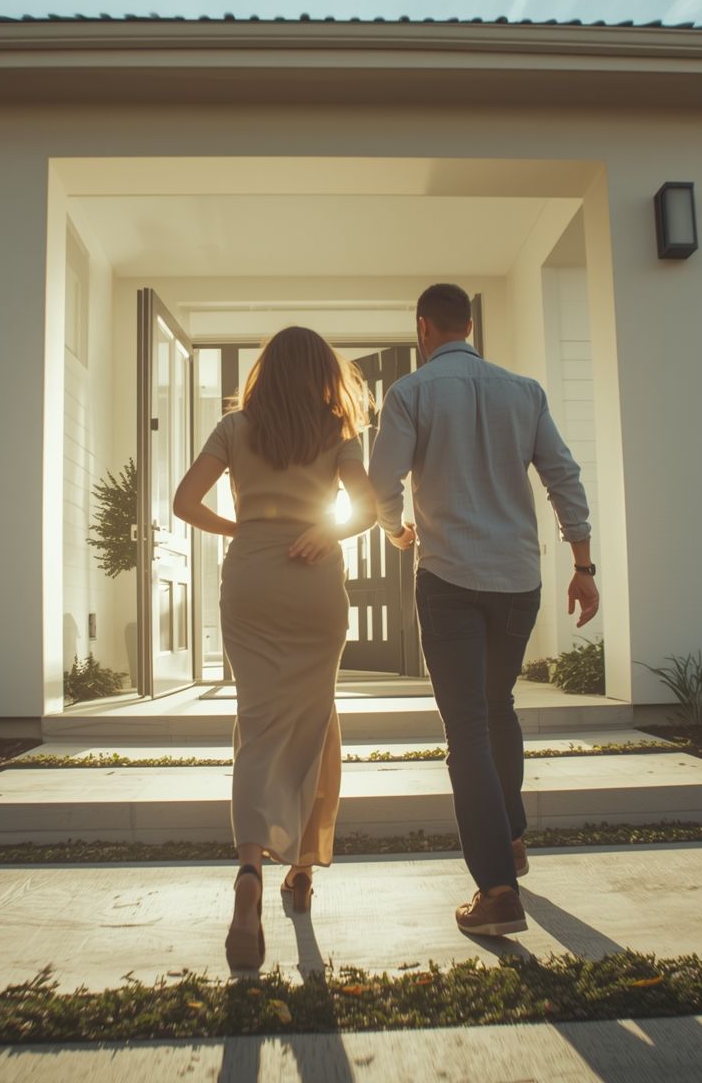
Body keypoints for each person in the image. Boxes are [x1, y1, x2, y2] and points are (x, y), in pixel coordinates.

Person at [369, 283, 598, 937]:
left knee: (466, 725)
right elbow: (564, 477)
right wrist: (582, 568)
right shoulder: (523, 392)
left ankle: (496, 890)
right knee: (498, 707)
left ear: (423, 328)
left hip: (447, 577)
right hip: (517, 580)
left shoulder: (411, 393)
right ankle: (512, 840)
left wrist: (394, 528)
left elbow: (381, 482)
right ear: (467, 325)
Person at [171, 325, 378, 971]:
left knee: (257, 725)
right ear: (322, 372)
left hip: (252, 578)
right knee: (317, 720)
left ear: (264, 371)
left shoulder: (235, 429)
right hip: (313, 582)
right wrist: (323, 526)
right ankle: (304, 871)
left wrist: (245, 527)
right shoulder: (334, 431)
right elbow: (368, 508)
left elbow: (183, 502)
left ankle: (250, 871)